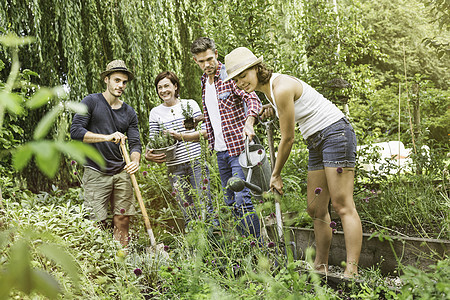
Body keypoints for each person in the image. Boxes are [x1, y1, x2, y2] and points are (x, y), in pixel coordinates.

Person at [224, 47, 363, 277]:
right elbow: (295, 109)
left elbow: (288, 138)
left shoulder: (281, 87)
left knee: (341, 204)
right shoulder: (270, 92)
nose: (240, 83)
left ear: (256, 69)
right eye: (236, 80)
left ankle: (352, 271)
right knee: (316, 208)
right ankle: (320, 267)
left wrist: (275, 174)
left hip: (335, 134)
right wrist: (273, 109)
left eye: (243, 76)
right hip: (316, 140)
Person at [190, 37, 262, 239]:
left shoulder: (229, 76)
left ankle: (259, 248)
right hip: (220, 151)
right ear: (195, 61)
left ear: (216, 54)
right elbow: (219, 111)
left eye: (210, 59)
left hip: (238, 149)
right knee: (230, 201)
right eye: (201, 61)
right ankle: (246, 246)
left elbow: (252, 99)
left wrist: (249, 123)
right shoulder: (205, 81)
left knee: (242, 199)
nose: (207, 64)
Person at [70, 59, 142, 247]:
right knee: (95, 221)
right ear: (106, 79)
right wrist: (107, 137)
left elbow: (135, 143)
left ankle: (121, 262)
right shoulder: (91, 101)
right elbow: (76, 131)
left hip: (121, 172)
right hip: (95, 171)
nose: (121, 85)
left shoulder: (129, 112)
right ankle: (100, 264)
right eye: (117, 80)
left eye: (124, 82)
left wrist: (135, 160)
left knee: (122, 219)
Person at [144, 70, 215, 228]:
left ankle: (212, 243)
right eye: (159, 87)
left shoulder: (189, 104)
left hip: (196, 162)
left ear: (175, 86)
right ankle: (195, 246)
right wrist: (149, 154)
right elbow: (154, 141)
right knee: (186, 208)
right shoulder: (155, 113)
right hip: (174, 167)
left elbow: (206, 132)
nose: (163, 90)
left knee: (204, 203)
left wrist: (181, 136)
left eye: (167, 86)